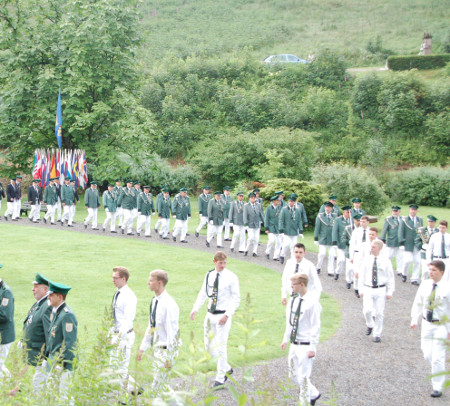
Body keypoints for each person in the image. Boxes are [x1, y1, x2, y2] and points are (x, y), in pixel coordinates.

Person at [190, 251, 240, 388]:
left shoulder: (231, 277)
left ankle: (220, 377)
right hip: (210, 314)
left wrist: (227, 314)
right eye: (220, 263)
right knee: (209, 347)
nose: (223, 265)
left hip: (223, 315)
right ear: (214, 262)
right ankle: (226, 367)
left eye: (224, 263)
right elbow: (203, 293)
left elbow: (236, 298)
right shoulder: (209, 275)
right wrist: (195, 308)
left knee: (221, 346)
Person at [410, 260, 450, 398]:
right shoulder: (425, 285)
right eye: (430, 270)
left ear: (441, 272)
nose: (431, 273)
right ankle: (438, 370)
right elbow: (418, 303)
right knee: (427, 354)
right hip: (427, 324)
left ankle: (437, 386)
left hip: (441, 326)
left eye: (434, 270)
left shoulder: (447, 288)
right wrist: (415, 318)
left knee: (438, 358)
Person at [281, 273, 321, 406]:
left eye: (294, 285)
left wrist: (312, 347)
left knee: (303, 378)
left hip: (305, 344)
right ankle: (314, 393)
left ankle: (304, 402)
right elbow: (290, 321)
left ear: (302, 285)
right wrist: (285, 339)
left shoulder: (312, 302)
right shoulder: (294, 300)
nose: (291, 287)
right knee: (292, 374)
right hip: (294, 342)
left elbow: (315, 326)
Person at [137, 270, 180, 393]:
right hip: (158, 349)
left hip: (166, 351)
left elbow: (173, 333)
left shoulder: (169, 304)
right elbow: (151, 326)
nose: (148, 283)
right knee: (161, 387)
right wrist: (142, 348)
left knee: (158, 386)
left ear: (159, 283)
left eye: (151, 280)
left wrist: (170, 357)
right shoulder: (155, 301)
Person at [46, 281, 78, 400]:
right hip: (55, 359)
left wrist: (63, 364)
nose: (48, 297)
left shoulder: (67, 315)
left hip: (63, 363)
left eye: (51, 295)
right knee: (52, 392)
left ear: (59, 297)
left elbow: (70, 343)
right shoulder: (57, 312)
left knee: (64, 396)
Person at [358, 240, 395, 343]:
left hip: (380, 288)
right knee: (367, 310)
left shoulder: (385, 261)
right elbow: (362, 275)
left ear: (379, 248)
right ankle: (370, 324)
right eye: (371, 246)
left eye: (374, 247)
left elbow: (390, 277)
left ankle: (377, 334)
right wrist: (360, 288)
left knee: (379, 313)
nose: (371, 248)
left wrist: (390, 291)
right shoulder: (367, 260)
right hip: (368, 287)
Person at [110, 266, 138, 393]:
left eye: (116, 278)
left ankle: (125, 396)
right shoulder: (118, 293)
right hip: (117, 333)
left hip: (125, 335)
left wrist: (119, 338)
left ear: (123, 279)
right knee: (114, 365)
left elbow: (126, 320)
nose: (113, 280)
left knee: (121, 367)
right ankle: (134, 389)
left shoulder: (129, 296)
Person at [23, 273, 52, 392]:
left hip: (42, 355)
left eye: (36, 287)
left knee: (39, 385)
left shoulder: (47, 306)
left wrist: (46, 356)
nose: (32, 289)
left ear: (45, 289)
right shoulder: (39, 303)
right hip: (35, 354)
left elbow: (49, 333)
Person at [398, 204, 423, 284]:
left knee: (417, 262)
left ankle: (414, 279)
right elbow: (400, 231)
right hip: (407, 243)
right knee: (407, 261)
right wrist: (401, 242)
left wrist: (424, 242)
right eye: (412, 210)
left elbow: (421, 231)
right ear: (409, 210)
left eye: (414, 210)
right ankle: (404, 273)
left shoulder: (419, 220)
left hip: (417, 244)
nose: (413, 211)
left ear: (417, 211)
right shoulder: (404, 219)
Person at [349, 215, 371, 298]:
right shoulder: (356, 231)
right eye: (361, 222)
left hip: (367, 254)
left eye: (364, 222)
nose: (362, 223)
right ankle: (356, 288)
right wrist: (352, 256)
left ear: (368, 222)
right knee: (356, 271)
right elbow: (352, 244)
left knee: (366, 271)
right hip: (357, 253)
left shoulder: (370, 231)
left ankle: (364, 287)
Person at [279, 194, 304, 264]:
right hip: (286, 231)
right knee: (286, 244)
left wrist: (301, 231)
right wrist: (281, 230)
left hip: (294, 231)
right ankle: (282, 255)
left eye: (292, 201)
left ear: (294, 202)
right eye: (290, 201)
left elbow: (299, 221)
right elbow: (281, 220)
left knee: (294, 246)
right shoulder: (284, 209)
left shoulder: (297, 210)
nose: (291, 203)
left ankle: (293, 260)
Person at [314, 201, 336, 275]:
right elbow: (317, 227)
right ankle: (318, 267)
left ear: (332, 208)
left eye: (329, 207)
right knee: (322, 254)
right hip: (323, 238)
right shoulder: (320, 216)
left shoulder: (335, 216)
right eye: (326, 207)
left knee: (332, 255)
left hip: (332, 239)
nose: (327, 209)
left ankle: (330, 270)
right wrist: (316, 238)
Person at [380, 206, 403, 276]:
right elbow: (384, 229)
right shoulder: (388, 219)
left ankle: (400, 270)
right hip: (391, 240)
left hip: (400, 241)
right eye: (394, 211)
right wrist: (382, 238)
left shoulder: (403, 219)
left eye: (396, 211)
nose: (395, 213)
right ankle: (387, 268)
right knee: (389, 256)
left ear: (399, 212)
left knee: (400, 256)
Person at [0, 273, 15, 378]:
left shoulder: (6, 292)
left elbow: (4, 315)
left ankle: (13, 387)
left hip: (4, 336)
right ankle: (14, 385)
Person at [416, 215, 439, 281]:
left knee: (433, 270)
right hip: (424, 252)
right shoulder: (422, 230)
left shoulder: (437, 231)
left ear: (435, 222)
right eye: (429, 221)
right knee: (425, 270)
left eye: (432, 222)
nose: (430, 223)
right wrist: (421, 246)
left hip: (434, 253)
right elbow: (417, 240)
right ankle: (423, 282)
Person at [343, 213, 361, 289]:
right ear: (354, 220)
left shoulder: (362, 230)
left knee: (357, 269)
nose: (358, 222)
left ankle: (356, 283)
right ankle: (348, 280)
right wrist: (349, 242)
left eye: (360, 220)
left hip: (359, 251)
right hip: (350, 250)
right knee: (349, 268)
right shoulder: (348, 228)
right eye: (357, 220)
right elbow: (343, 239)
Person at [243, 192, 264, 257]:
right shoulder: (246, 205)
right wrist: (246, 224)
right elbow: (245, 215)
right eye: (252, 198)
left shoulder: (258, 205)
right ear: (249, 199)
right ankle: (246, 250)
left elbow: (261, 213)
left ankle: (254, 251)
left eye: (254, 198)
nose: (253, 199)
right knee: (251, 237)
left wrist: (263, 221)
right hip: (250, 224)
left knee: (256, 238)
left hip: (257, 223)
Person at [264, 196, 282, 261]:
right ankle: (267, 252)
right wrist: (266, 228)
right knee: (271, 241)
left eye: (279, 201)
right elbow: (266, 219)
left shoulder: (280, 208)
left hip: (278, 228)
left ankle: (276, 256)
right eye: (277, 200)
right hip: (271, 227)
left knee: (279, 242)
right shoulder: (268, 208)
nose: (279, 202)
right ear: (274, 201)